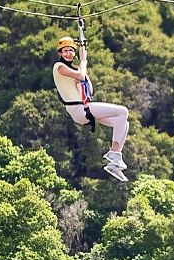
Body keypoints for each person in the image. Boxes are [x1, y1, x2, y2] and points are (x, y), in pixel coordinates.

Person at [53, 36, 131, 182]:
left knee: (123, 121)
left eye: (71, 50)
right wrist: (83, 60)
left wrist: (82, 65)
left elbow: (88, 88)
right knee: (123, 111)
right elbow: (81, 75)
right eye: (65, 51)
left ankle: (115, 162)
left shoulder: (73, 71)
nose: (68, 53)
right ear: (60, 53)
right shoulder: (59, 67)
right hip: (78, 110)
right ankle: (114, 154)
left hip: (84, 108)